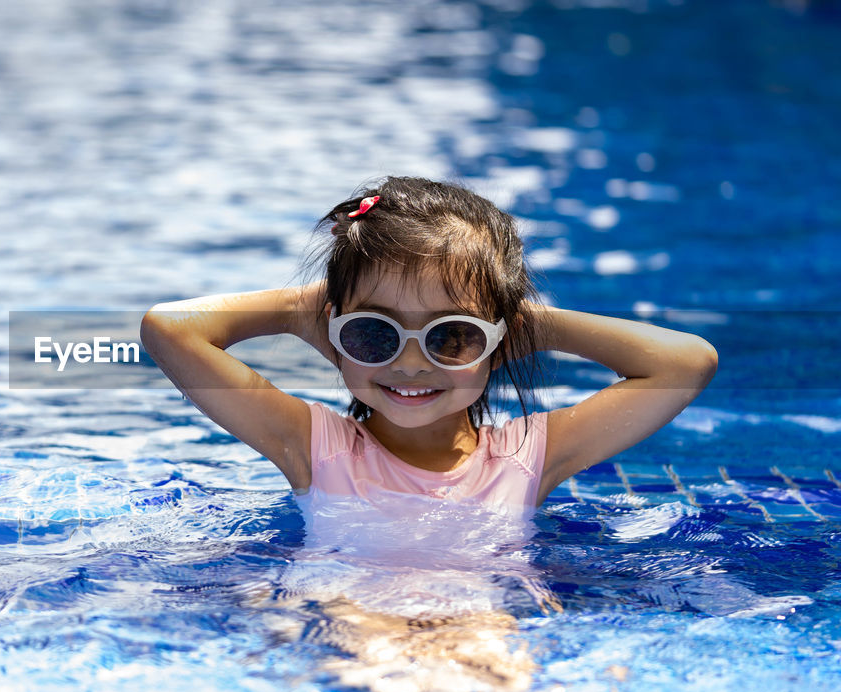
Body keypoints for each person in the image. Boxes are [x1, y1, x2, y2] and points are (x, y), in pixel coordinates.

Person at [140, 176, 718, 513]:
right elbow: (170, 328)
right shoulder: (312, 447)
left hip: (484, 620)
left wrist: (521, 328)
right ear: (332, 332)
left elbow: (686, 362)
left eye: (453, 335)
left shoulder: (530, 457)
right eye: (374, 333)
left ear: (500, 338)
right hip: (349, 614)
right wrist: (305, 311)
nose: (411, 363)